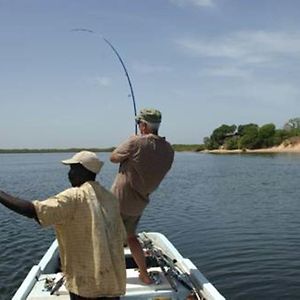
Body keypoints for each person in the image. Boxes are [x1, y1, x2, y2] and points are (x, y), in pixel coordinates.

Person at [0, 151, 126, 300]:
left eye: (72, 169)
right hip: (112, 282)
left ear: (83, 170)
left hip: (86, 285)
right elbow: (121, 236)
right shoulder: (109, 197)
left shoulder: (74, 196)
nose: (69, 174)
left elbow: (33, 210)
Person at [110, 108, 174, 284]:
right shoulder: (169, 149)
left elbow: (113, 157)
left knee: (108, 238)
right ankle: (144, 275)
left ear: (144, 125)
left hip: (118, 201)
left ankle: (110, 278)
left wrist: (132, 140)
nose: (138, 126)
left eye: (139, 123)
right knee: (131, 237)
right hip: (139, 203)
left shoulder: (135, 142)